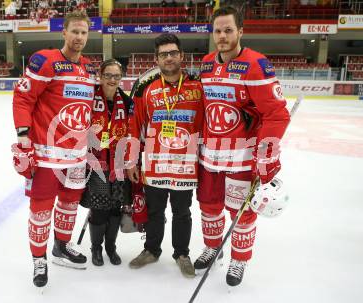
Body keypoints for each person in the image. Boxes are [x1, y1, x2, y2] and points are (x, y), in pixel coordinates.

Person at [195, 6, 290, 287]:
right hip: (210, 157)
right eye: (218, 31)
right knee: (209, 207)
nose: (222, 36)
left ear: (240, 32)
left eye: (228, 30)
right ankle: (214, 247)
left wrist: (266, 156)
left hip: (241, 158)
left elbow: (277, 114)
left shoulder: (255, 64)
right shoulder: (207, 63)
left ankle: (239, 259)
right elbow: (206, 109)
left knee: (241, 212)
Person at [11, 10, 96, 289]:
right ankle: (39, 258)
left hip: (77, 155)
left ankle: (61, 245)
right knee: (41, 210)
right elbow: (23, 98)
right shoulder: (45, 60)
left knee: (70, 205)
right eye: (74, 31)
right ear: (64, 32)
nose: (79, 37)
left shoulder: (88, 69)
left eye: (84, 32)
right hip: (47, 154)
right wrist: (23, 135)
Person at [126, 33, 204, 278]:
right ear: (157, 59)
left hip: (184, 163)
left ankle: (181, 254)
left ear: (181, 56)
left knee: (182, 212)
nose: (168, 58)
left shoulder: (196, 87)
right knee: (155, 211)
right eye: (163, 54)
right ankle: (151, 250)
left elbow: (205, 124)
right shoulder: (147, 90)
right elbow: (136, 126)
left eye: (172, 53)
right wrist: (131, 160)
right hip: (155, 163)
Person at [80, 59, 133, 266]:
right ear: (100, 76)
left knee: (115, 209)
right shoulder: (90, 98)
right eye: (108, 75)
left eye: (116, 76)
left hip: (118, 164)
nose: (112, 80)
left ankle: (111, 247)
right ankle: (97, 248)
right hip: (96, 164)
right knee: (99, 209)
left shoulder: (127, 102)